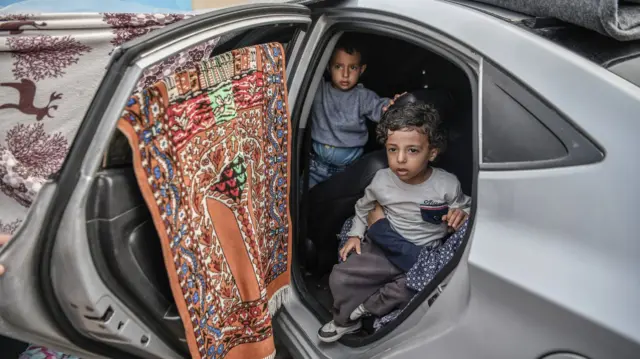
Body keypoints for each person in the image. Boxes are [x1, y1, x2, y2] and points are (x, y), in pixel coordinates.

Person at [318, 103, 471, 342]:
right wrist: (356, 234)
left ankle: (367, 309)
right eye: (392, 149)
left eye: (412, 151)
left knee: (411, 289)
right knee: (341, 277)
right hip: (381, 250)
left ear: (431, 152)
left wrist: (459, 213)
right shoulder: (381, 180)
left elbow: (465, 205)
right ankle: (346, 321)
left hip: (421, 255)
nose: (400, 159)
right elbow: (363, 207)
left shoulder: (447, 184)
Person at [308, 34, 403, 187]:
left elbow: (381, 109)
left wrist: (395, 105)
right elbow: (307, 67)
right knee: (301, 200)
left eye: (352, 68)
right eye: (338, 66)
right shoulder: (319, 91)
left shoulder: (363, 96)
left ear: (361, 70)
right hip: (316, 168)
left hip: (348, 170)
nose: (345, 74)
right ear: (328, 67)